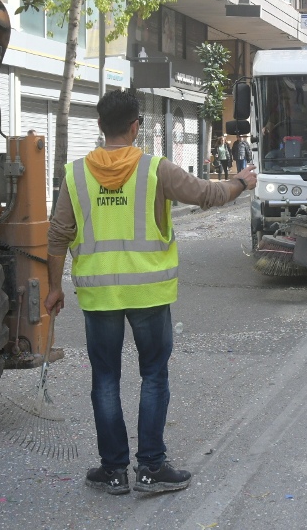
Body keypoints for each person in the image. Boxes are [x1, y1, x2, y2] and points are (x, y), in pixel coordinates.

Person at [44, 90, 257, 497]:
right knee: (153, 376)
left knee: (105, 379)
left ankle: (113, 470)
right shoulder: (156, 169)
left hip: (99, 296)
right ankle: (151, 468)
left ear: (100, 126)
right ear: (135, 126)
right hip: (149, 295)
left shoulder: (75, 175)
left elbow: (57, 234)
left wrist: (54, 287)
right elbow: (207, 195)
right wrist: (240, 182)